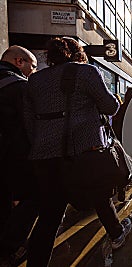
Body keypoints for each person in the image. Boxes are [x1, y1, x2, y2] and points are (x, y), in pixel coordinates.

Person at [24, 37, 131, 267]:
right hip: (83, 151)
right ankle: (117, 234)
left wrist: (43, 146)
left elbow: (29, 122)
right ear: (77, 52)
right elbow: (110, 107)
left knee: (49, 217)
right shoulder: (87, 72)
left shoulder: (34, 80)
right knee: (100, 195)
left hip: (45, 158)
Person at [0, 45, 38, 265]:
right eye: (31, 66)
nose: (33, 71)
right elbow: (30, 125)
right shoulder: (19, 86)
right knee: (33, 199)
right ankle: (10, 248)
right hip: (14, 154)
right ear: (19, 62)